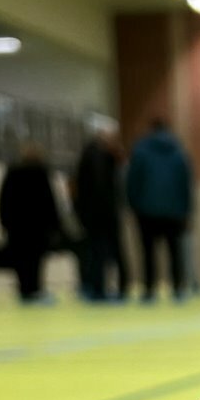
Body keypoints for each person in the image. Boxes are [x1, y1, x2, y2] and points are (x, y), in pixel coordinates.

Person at [125, 116, 194, 302]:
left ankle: (149, 290)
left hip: (146, 210)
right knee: (175, 252)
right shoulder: (178, 151)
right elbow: (186, 184)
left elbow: (132, 181)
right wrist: (187, 211)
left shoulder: (140, 151)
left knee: (148, 252)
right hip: (175, 211)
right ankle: (178, 288)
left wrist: (133, 205)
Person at [0, 140, 61, 303]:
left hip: (17, 226)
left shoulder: (13, 172)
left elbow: (4, 199)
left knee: (20, 259)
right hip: (38, 226)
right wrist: (55, 224)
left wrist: (4, 222)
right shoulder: (41, 173)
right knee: (36, 259)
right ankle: (35, 288)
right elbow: (50, 201)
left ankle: (24, 289)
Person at [72, 124, 129, 302]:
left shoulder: (90, 155)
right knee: (105, 253)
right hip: (102, 215)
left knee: (96, 253)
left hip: (93, 215)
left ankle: (97, 287)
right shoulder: (100, 157)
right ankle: (107, 288)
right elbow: (101, 189)